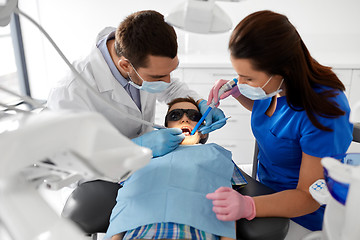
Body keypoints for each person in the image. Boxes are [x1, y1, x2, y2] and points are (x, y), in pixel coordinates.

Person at [206, 10, 353, 231]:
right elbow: (269, 116)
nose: (239, 81)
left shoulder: (325, 110)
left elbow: (309, 197)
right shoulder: (274, 87)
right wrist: (239, 93)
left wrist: (248, 205)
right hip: (262, 186)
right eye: (239, 75)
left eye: (248, 78)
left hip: (301, 215)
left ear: (283, 69)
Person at [46, 10, 225, 158]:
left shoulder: (138, 49)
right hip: (106, 181)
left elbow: (170, 87)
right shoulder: (71, 92)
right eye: (159, 76)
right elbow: (69, 161)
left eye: (171, 71)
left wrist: (201, 103)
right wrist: (134, 147)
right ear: (125, 65)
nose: (168, 81)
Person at [105, 97, 247, 240]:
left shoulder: (218, 155)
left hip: (197, 232)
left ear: (204, 130)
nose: (185, 119)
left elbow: (230, 203)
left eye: (193, 116)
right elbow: (126, 200)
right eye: (176, 115)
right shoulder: (144, 154)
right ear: (165, 128)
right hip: (142, 232)